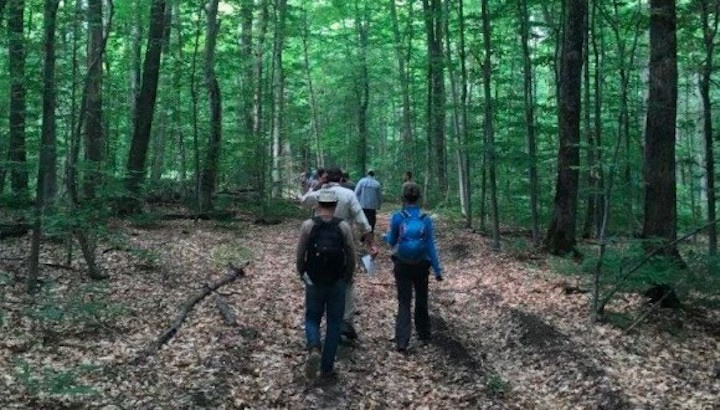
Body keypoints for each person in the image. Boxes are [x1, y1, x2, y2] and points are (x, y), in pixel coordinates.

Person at [301, 166, 377, 342]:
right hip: (343, 244)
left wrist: (318, 185)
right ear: (342, 179)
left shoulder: (321, 193)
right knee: (347, 281)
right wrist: (371, 245)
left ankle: (315, 325)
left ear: (327, 178)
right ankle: (345, 322)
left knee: (317, 279)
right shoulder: (349, 195)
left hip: (318, 245)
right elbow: (363, 222)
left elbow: (304, 201)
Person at [296, 190, 356, 383]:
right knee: (334, 324)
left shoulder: (308, 226)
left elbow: (301, 253)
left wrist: (302, 272)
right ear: (335, 205)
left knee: (312, 318)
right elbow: (351, 254)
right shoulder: (344, 227)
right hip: (336, 282)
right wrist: (347, 276)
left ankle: (314, 346)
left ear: (318, 204)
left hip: (314, 280)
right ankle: (327, 368)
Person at [384, 182, 443, 352]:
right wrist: (437, 270)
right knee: (421, 298)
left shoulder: (397, 217)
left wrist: (386, 238)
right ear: (419, 198)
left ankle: (402, 340)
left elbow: (392, 241)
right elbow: (431, 245)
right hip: (422, 264)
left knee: (404, 301)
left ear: (403, 197)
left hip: (402, 263)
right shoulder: (426, 219)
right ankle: (424, 333)